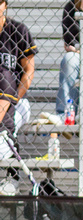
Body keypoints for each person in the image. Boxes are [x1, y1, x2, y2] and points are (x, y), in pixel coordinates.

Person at [0, 0, 35, 196]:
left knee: (8, 121)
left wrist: (15, 99)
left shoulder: (17, 30)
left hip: (17, 99)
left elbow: (29, 70)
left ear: (5, 4)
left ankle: (12, 176)